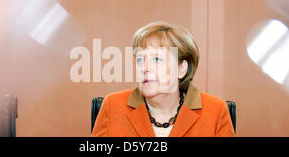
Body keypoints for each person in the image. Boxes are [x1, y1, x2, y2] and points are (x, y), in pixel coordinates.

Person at [91, 21, 235, 137]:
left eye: (157, 59)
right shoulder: (113, 106)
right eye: (140, 59)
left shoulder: (215, 111)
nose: (145, 67)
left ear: (181, 69)